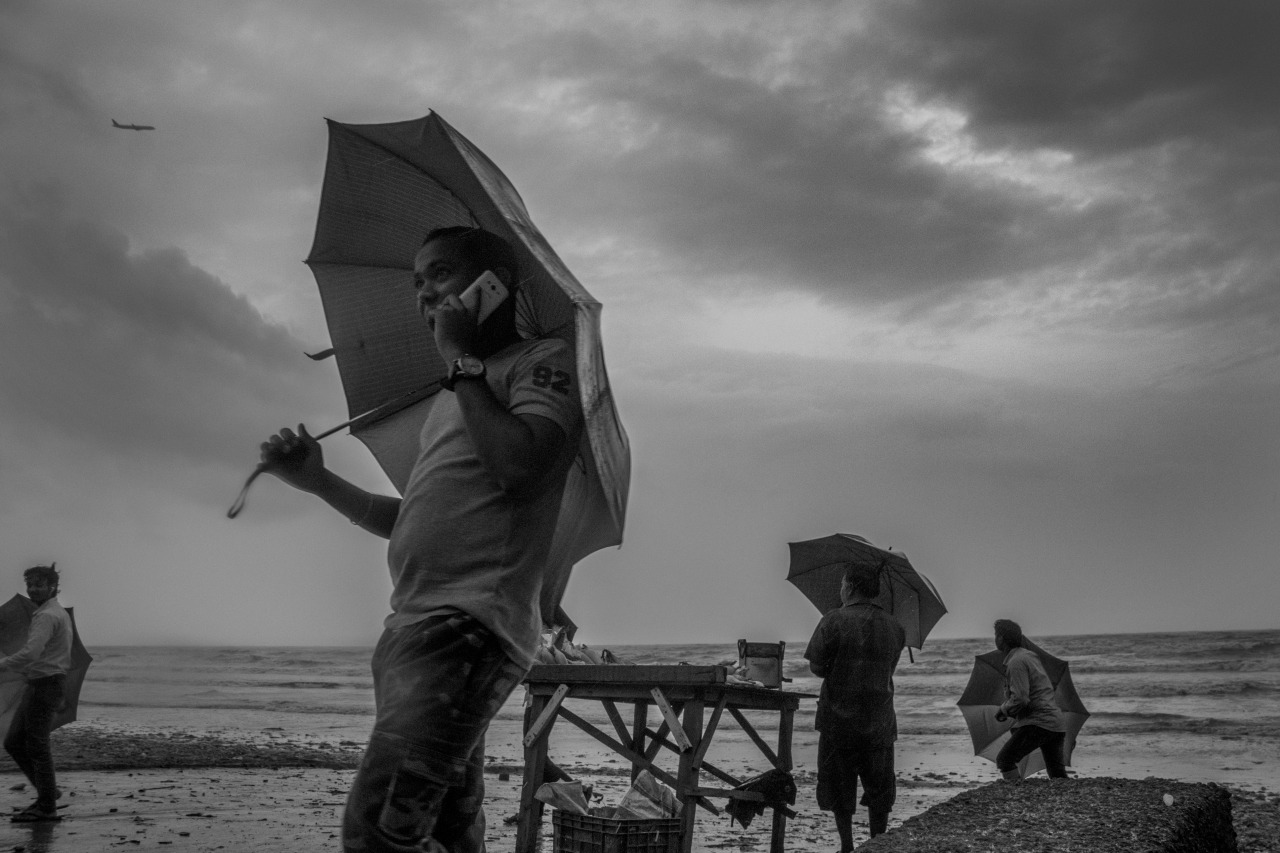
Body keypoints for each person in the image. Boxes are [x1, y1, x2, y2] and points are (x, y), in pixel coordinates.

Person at [259, 226, 583, 853]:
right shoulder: (457, 394)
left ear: (494, 284)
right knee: (445, 833)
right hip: (415, 630)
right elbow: (417, 514)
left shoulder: (539, 363)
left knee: (378, 833)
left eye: (440, 273)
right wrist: (319, 482)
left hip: (467, 628)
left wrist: (460, 361)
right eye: (417, 281)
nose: (424, 292)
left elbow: (521, 468)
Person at [804, 562, 906, 848]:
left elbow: (816, 666)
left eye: (841, 583)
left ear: (849, 586)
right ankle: (877, 842)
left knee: (839, 788)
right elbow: (890, 668)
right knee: (880, 788)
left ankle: (847, 845)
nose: (840, 588)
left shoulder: (832, 620)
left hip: (838, 721)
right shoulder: (895, 626)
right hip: (880, 721)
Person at [0, 564, 74, 823]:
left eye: (39, 584)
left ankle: (46, 806)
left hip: (45, 686)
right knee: (14, 742)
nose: (33, 589)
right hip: (42, 682)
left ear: (52, 587)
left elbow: (31, 652)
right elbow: (46, 654)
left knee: (37, 745)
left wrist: (4, 664)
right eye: (30, 584)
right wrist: (29, 669)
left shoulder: (46, 616)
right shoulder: (55, 613)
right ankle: (48, 792)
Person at [993, 619, 1068, 781]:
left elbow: (1021, 698)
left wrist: (1004, 710)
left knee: (1005, 760)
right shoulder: (1028, 656)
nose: (995, 639)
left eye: (996, 635)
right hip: (1054, 723)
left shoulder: (1016, 662)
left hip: (1039, 723)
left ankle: (1014, 792)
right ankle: (1071, 795)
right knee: (1057, 774)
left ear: (1001, 638)